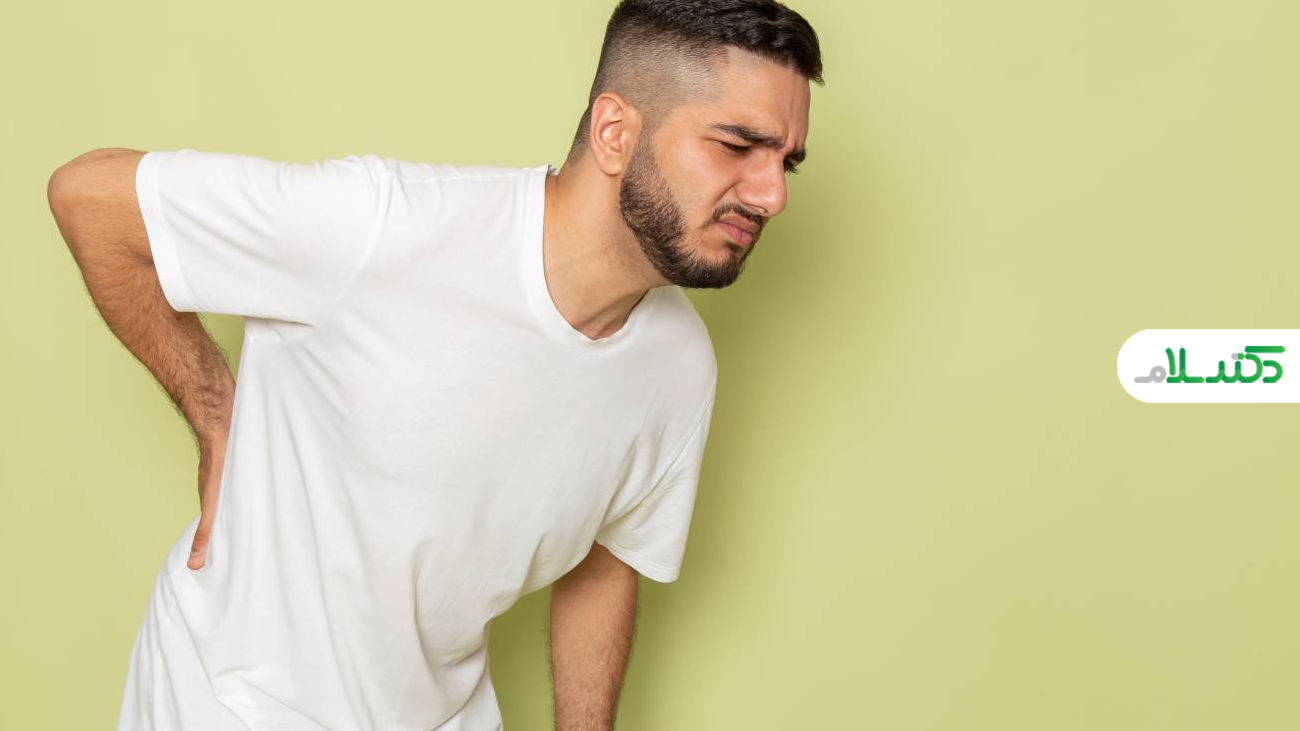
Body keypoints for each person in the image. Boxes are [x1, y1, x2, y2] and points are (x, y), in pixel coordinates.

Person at [46, 0, 822, 728]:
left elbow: (605, 560)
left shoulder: (679, 366)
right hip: (234, 696)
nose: (771, 196)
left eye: (786, 162)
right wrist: (220, 424)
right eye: (737, 145)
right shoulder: (380, 228)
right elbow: (89, 197)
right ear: (614, 132)